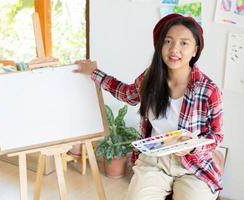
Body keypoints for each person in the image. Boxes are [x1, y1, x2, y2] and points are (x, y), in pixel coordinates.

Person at [74, 13, 223, 200]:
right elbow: (127, 94)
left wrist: (192, 148)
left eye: (184, 43)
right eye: (168, 41)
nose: (174, 49)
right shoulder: (150, 77)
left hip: (193, 165)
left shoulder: (209, 90)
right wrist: (94, 73)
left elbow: (216, 136)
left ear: (195, 49)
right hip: (154, 161)